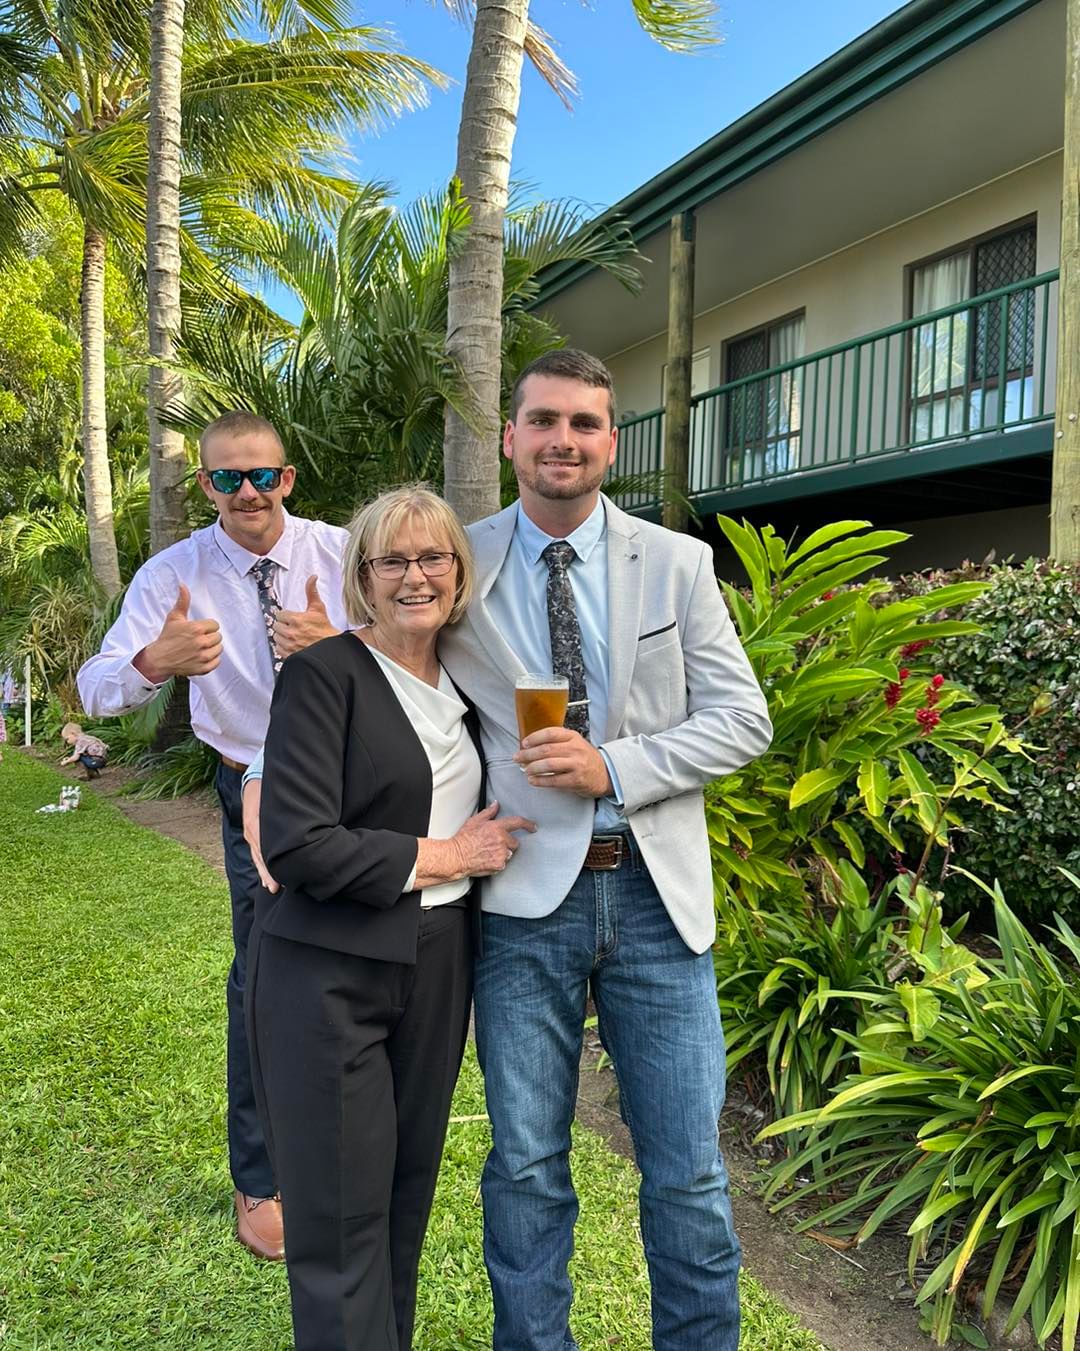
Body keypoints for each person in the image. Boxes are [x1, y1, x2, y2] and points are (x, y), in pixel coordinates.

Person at [438, 349, 773, 1351]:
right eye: (543, 420)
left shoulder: (676, 563)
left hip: (657, 903)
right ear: (510, 436)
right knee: (524, 1167)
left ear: (611, 442)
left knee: (689, 1172)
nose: (563, 441)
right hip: (521, 902)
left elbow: (742, 720)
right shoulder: (457, 564)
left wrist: (613, 766)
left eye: (583, 423)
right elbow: (394, 676)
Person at [241, 485, 535, 1351]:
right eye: (392, 560)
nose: (415, 576)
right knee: (340, 1218)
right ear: (362, 577)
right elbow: (298, 844)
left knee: (405, 1199)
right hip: (326, 971)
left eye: (433, 557)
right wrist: (451, 854)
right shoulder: (323, 674)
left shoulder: (474, 678)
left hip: (439, 961)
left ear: (459, 571)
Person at [76, 411, 348, 1261]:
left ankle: (348, 1152)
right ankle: (261, 1177)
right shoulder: (175, 573)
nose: (248, 492)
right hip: (252, 786)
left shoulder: (341, 553)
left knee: (359, 962)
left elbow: (427, 645)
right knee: (263, 975)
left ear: (287, 477)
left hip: (355, 780)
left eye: (262, 474)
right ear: (205, 485)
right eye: (228, 477)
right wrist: (155, 661)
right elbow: (94, 688)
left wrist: (345, 647)